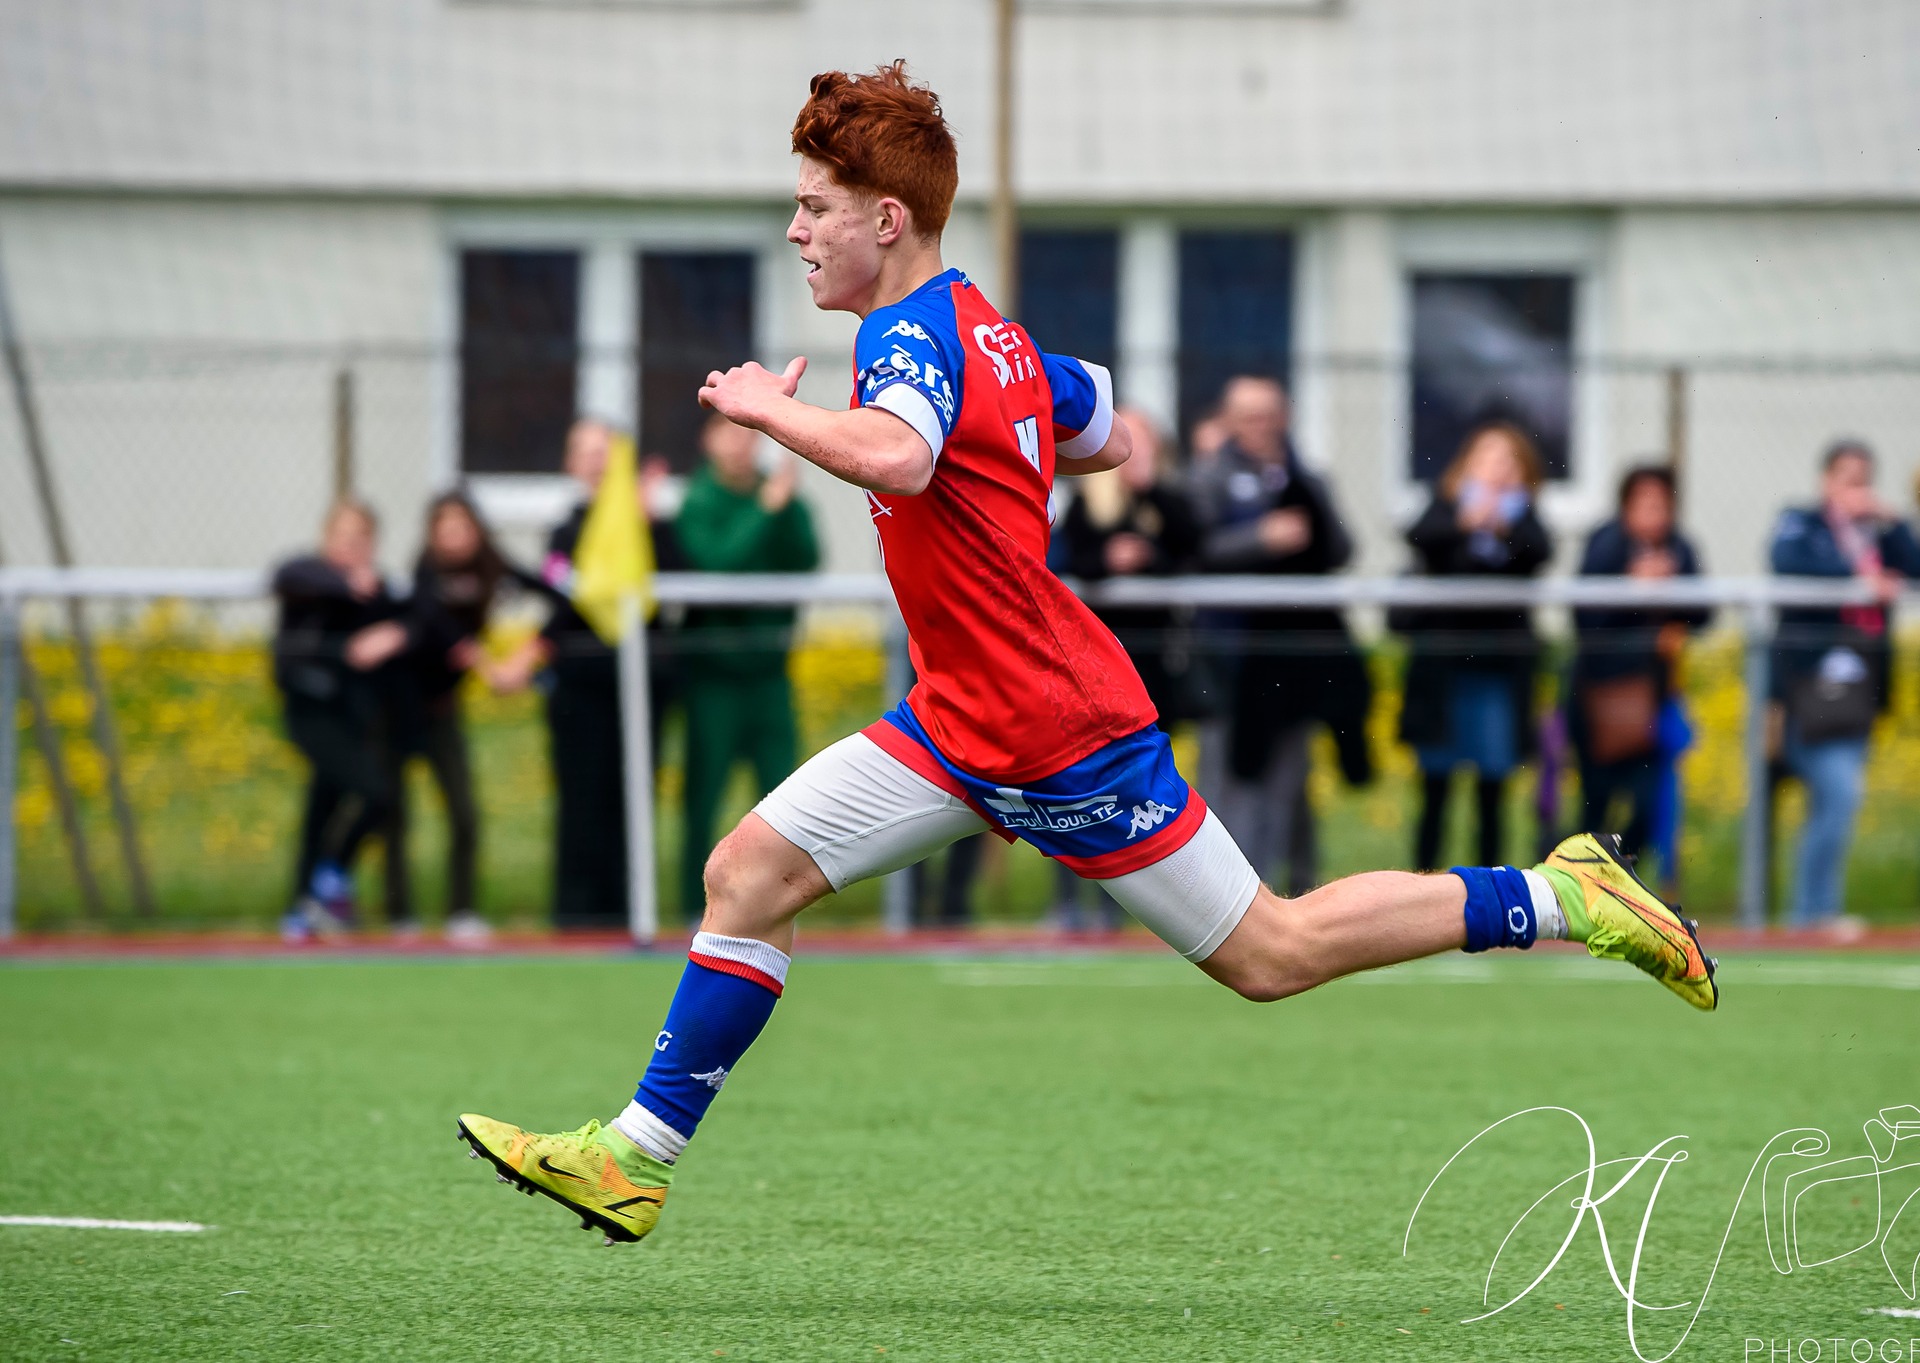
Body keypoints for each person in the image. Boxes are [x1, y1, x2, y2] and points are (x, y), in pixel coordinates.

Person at [456, 63, 1717, 1248]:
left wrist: (767, 408)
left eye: (813, 207)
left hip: (1058, 729)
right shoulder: (984, 335)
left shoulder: (906, 344)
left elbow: (899, 454)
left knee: (1268, 955)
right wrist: (1022, 447)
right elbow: (1117, 429)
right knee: (747, 877)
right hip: (960, 717)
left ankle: (1562, 895)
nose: (795, 231)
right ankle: (633, 1157)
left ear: (885, 218)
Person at [1187, 375, 1369, 895]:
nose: (1260, 426)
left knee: (1290, 778)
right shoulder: (1208, 478)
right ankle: (1224, 891)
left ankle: (1292, 888)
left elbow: (1340, 549)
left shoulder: (1305, 476)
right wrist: (1260, 539)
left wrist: (1311, 508)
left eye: (1268, 414)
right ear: (1229, 419)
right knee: (1230, 775)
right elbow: (1196, 551)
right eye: (1248, 415)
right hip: (1229, 653)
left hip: (1291, 656)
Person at [503, 418, 688, 929]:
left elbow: (680, 585)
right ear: (569, 463)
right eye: (582, 450)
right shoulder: (565, 531)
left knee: (632, 800)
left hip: (643, 686)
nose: (595, 459)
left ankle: (630, 913)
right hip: (580, 692)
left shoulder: (647, 522)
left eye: (604, 448)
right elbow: (566, 598)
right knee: (582, 800)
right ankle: (576, 917)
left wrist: (651, 523)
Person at [1768, 439, 1920, 928]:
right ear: (1826, 481)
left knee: (1835, 801)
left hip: (1860, 695)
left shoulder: (1878, 533)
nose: (1856, 490)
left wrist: (1895, 520)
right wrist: (1861, 577)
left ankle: (1814, 911)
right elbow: (1786, 559)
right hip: (1808, 692)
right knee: (1839, 793)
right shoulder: (1801, 521)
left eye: (1864, 479)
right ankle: (1812, 914)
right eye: (1846, 478)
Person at [1051, 407, 1201, 926]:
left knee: (1144, 782)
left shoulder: (1168, 500)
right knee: (1080, 782)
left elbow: (1191, 548)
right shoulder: (1087, 503)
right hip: (1093, 668)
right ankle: (1073, 902)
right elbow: (1073, 562)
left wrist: (1149, 516)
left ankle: (1143, 902)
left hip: (1153, 666)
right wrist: (1112, 559)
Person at [676, 411, 821, 921]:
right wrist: (764, 509)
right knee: (704, 795)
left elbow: (806, 556)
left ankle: (780, 903)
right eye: (730, 434)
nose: (740, 445)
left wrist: (786, 506)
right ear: (707, 439)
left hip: (770, 676)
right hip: (714, 678)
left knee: (785, 793)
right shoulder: (698, 500)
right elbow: (717, 562)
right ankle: (694, 907)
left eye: (748, 435)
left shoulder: (777, 495)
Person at [1396, 422, 1554, 870]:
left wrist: (1501, 524)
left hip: (1497, 675)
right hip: (1443, 676)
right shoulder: (1444, 508)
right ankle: (1419, 889)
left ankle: (1492, 894)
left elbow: (1540, 551)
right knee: (1436, 790)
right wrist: (1467, 523)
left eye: (1508, 460)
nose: (1497, 469)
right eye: (1487, 458)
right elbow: (1420, 538)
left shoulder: (1524, 518)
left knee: (1491, 793)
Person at [378, 492, 533, 945]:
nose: (452, 536)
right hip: (399, 709)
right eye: (443, 527)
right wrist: (490, 667)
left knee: (464, 812)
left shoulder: (492, 566)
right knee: (396, 814)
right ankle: (399, 914)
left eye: (461, 525)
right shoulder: (424, 570)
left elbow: (548, 589)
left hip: (444, 712)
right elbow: (437, 626)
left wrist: (530, 651)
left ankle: (461, 911)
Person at [271, 500, 405, 941]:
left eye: (361, 538)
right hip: (311, 712)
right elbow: (285, 573)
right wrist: (347, 582)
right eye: (343, 537)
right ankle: (330, 881)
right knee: (375, 792)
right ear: (327, 539)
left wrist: (396, 633)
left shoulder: (379, 590)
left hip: (353, 717)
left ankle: (303, 901)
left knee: (322, 808)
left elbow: (419, 616)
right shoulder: (308, 579)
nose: (352, 546)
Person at [1568, 466, 1708, 865]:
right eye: (1644, 503)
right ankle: (1578, 893)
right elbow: (1585, 621)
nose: (1654, 513)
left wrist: (1671, 595)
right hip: (1599, 700)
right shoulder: (1605, 544)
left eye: (1662, 504)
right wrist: (1632, 590)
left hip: (1651, 703)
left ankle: (1619, 880)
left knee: (1648, 807)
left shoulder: (1680, 548)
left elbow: (1704, 610)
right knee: (1594, 808)